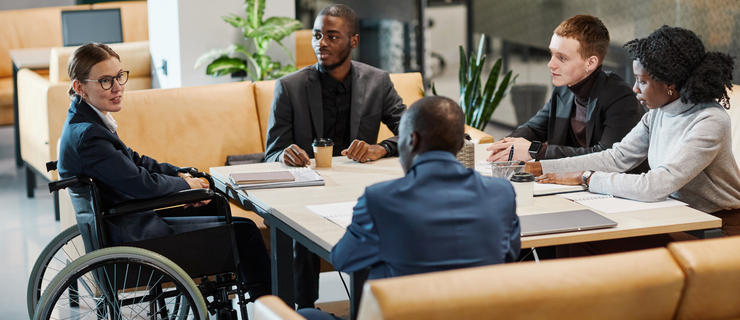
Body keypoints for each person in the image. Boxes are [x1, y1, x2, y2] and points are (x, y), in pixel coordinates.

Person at [57, 43, 271, 297]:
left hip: (129, 224)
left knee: (215, 208)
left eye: (119, 76)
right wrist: (184, 187)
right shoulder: (90, 135)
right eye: (105, 81)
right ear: (79, 87)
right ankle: (272, 311)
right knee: (245, 231)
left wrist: (180, 176)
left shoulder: (85, 122)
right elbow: (140, 183)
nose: (117, 87)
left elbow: (136, 161)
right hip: (135, 239)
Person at [298, 96, 521, 319]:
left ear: (412, 140)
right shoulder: (502, 193)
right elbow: (510, 254)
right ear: (462, 144)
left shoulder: (380, 199)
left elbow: (344, 260)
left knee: (307, 315)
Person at [530, 25, 740, 256]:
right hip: (676, 214)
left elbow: (656, 185)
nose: (635, 88)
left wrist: (587, 177)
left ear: (669, 85)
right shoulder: (658, 113)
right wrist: (538, 168)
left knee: (587, 239)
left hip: (716, 227)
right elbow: (617, 157)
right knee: (571, 233)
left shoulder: (709, 120)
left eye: (642, 81)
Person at [263, 4, 406, 308]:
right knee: (298, 225)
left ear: (353, 41)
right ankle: (301, 309)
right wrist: (284, 155)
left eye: (332, 36)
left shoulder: (378, 81)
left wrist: (381, 148)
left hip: (361, 187)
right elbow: (272, 152)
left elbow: (410, 131)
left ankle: (374, 306)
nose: (321, 44)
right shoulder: (290, 87)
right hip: (309, 190)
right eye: (317, 36)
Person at [487, 15, 644, 165]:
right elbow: (534, 128)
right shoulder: (564, 89)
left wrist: (536, 150)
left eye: (562, 58)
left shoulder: (620, 97)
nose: (551, 64)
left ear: (590, 63)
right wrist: (506, 145)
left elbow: (606, 157)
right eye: (552, 54)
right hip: (567, 185)